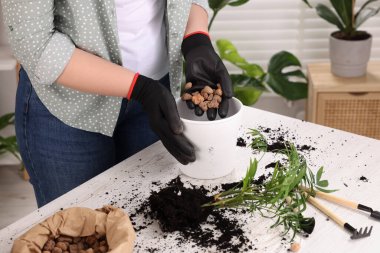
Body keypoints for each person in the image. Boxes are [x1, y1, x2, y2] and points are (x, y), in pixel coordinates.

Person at [2, 0, 232, 207]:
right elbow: (35, 43)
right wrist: (140, 88)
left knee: (146, 222)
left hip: (154, 95)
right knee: (79, 230)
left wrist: (196, 39)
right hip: (67, 109)